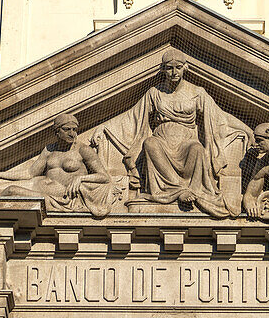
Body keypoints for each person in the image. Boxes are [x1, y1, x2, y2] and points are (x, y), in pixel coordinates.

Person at [95, 48, 250, 217]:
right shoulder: (154, 93)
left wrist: (246, 128)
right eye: (169, 68)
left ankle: (193, 190)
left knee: (197, 149)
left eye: (178, 67)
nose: (174, 72)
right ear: (163, 70)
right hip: (161, 139)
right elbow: (132, 116)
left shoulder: (197, 93)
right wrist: (105, 126)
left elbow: (220, 118)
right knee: (150, 143)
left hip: (186, 141)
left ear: (186, 68)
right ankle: (179, 190)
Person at [0, 113, 117, 217]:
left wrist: (81, 179)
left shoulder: (83, 149)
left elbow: (104, 177)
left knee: (11, 190)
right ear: (57, 132)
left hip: (59, 194)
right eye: (67, 129)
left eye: (74, 130)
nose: (72, 133)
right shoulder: (48, 150)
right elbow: (29, 173)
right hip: (38, 184)